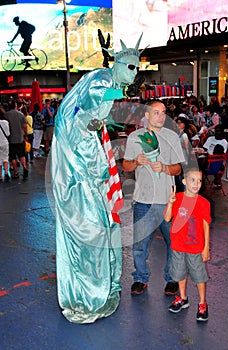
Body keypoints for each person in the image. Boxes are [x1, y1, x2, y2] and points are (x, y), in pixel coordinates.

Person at [51, 34, 145, 323]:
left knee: (103, 226)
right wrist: (119, 95)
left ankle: (99, 288)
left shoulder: (105, 83)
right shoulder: (100, 79)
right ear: (117, 64)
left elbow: (90, 117)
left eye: (137, 68)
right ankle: (89, 294)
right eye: (130, 67)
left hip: (88, 168)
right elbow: (94, 100)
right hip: (78, 172)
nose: (135, 73)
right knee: (92, 227)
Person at [122, 99, 185, 296]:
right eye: (156, 112)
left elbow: (178, 168)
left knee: (173, 244)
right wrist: (136, 161)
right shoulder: (135, 137)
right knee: (140, 244)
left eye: (163, 112)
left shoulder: (172, 137)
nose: (161, 116)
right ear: (147, 116)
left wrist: (165, 168)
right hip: (143, 200)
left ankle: (172, 278)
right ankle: (140, 277)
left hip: (168, 201)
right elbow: (125, 166)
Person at [164, 168, 211, 322]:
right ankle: (183, 298)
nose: (196, 183)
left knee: (199, 277)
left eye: (199, 180)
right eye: (192, 180)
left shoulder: (204, 203)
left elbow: (205, 226)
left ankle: (202, 303)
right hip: (178, 246)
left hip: (195, 248)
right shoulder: (176, 198)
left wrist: (205, 248)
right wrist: (170, 204)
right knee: (179, 274)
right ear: (184, 182)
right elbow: (167, 219)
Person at [5, 100, 28, 179]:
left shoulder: (6, 115)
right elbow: (25, 126)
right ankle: (24, 167)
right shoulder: (20, 114)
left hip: (11, 139)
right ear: (15, 106)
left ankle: (16, 172)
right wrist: (25, 134)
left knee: (13, 157)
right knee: (22, 155)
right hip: (20, 138)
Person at [0, 107, 10, 181]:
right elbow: (8, 133)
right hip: (5, 142)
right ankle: (6, 172)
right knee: (5, 158)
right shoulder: (6, 122)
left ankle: (0, 175)